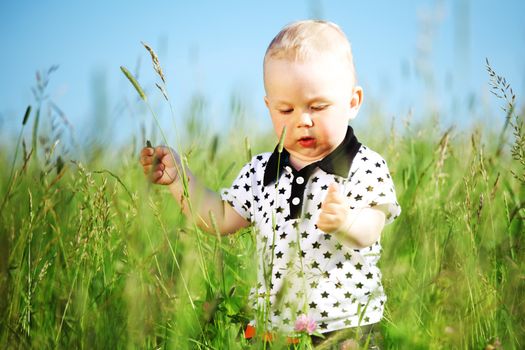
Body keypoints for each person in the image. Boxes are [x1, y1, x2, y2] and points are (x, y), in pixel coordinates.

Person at [140, 19, 400, 349]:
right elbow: (219, 218)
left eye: (318, 106)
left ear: (352, 102)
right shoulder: (262, 170)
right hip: (273, 331)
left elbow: (371, 229)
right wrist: (180, 180)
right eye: (286, 109)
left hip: (345, 329)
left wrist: (347, 220)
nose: (302, 120)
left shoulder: (364, 164)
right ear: (269, 108)